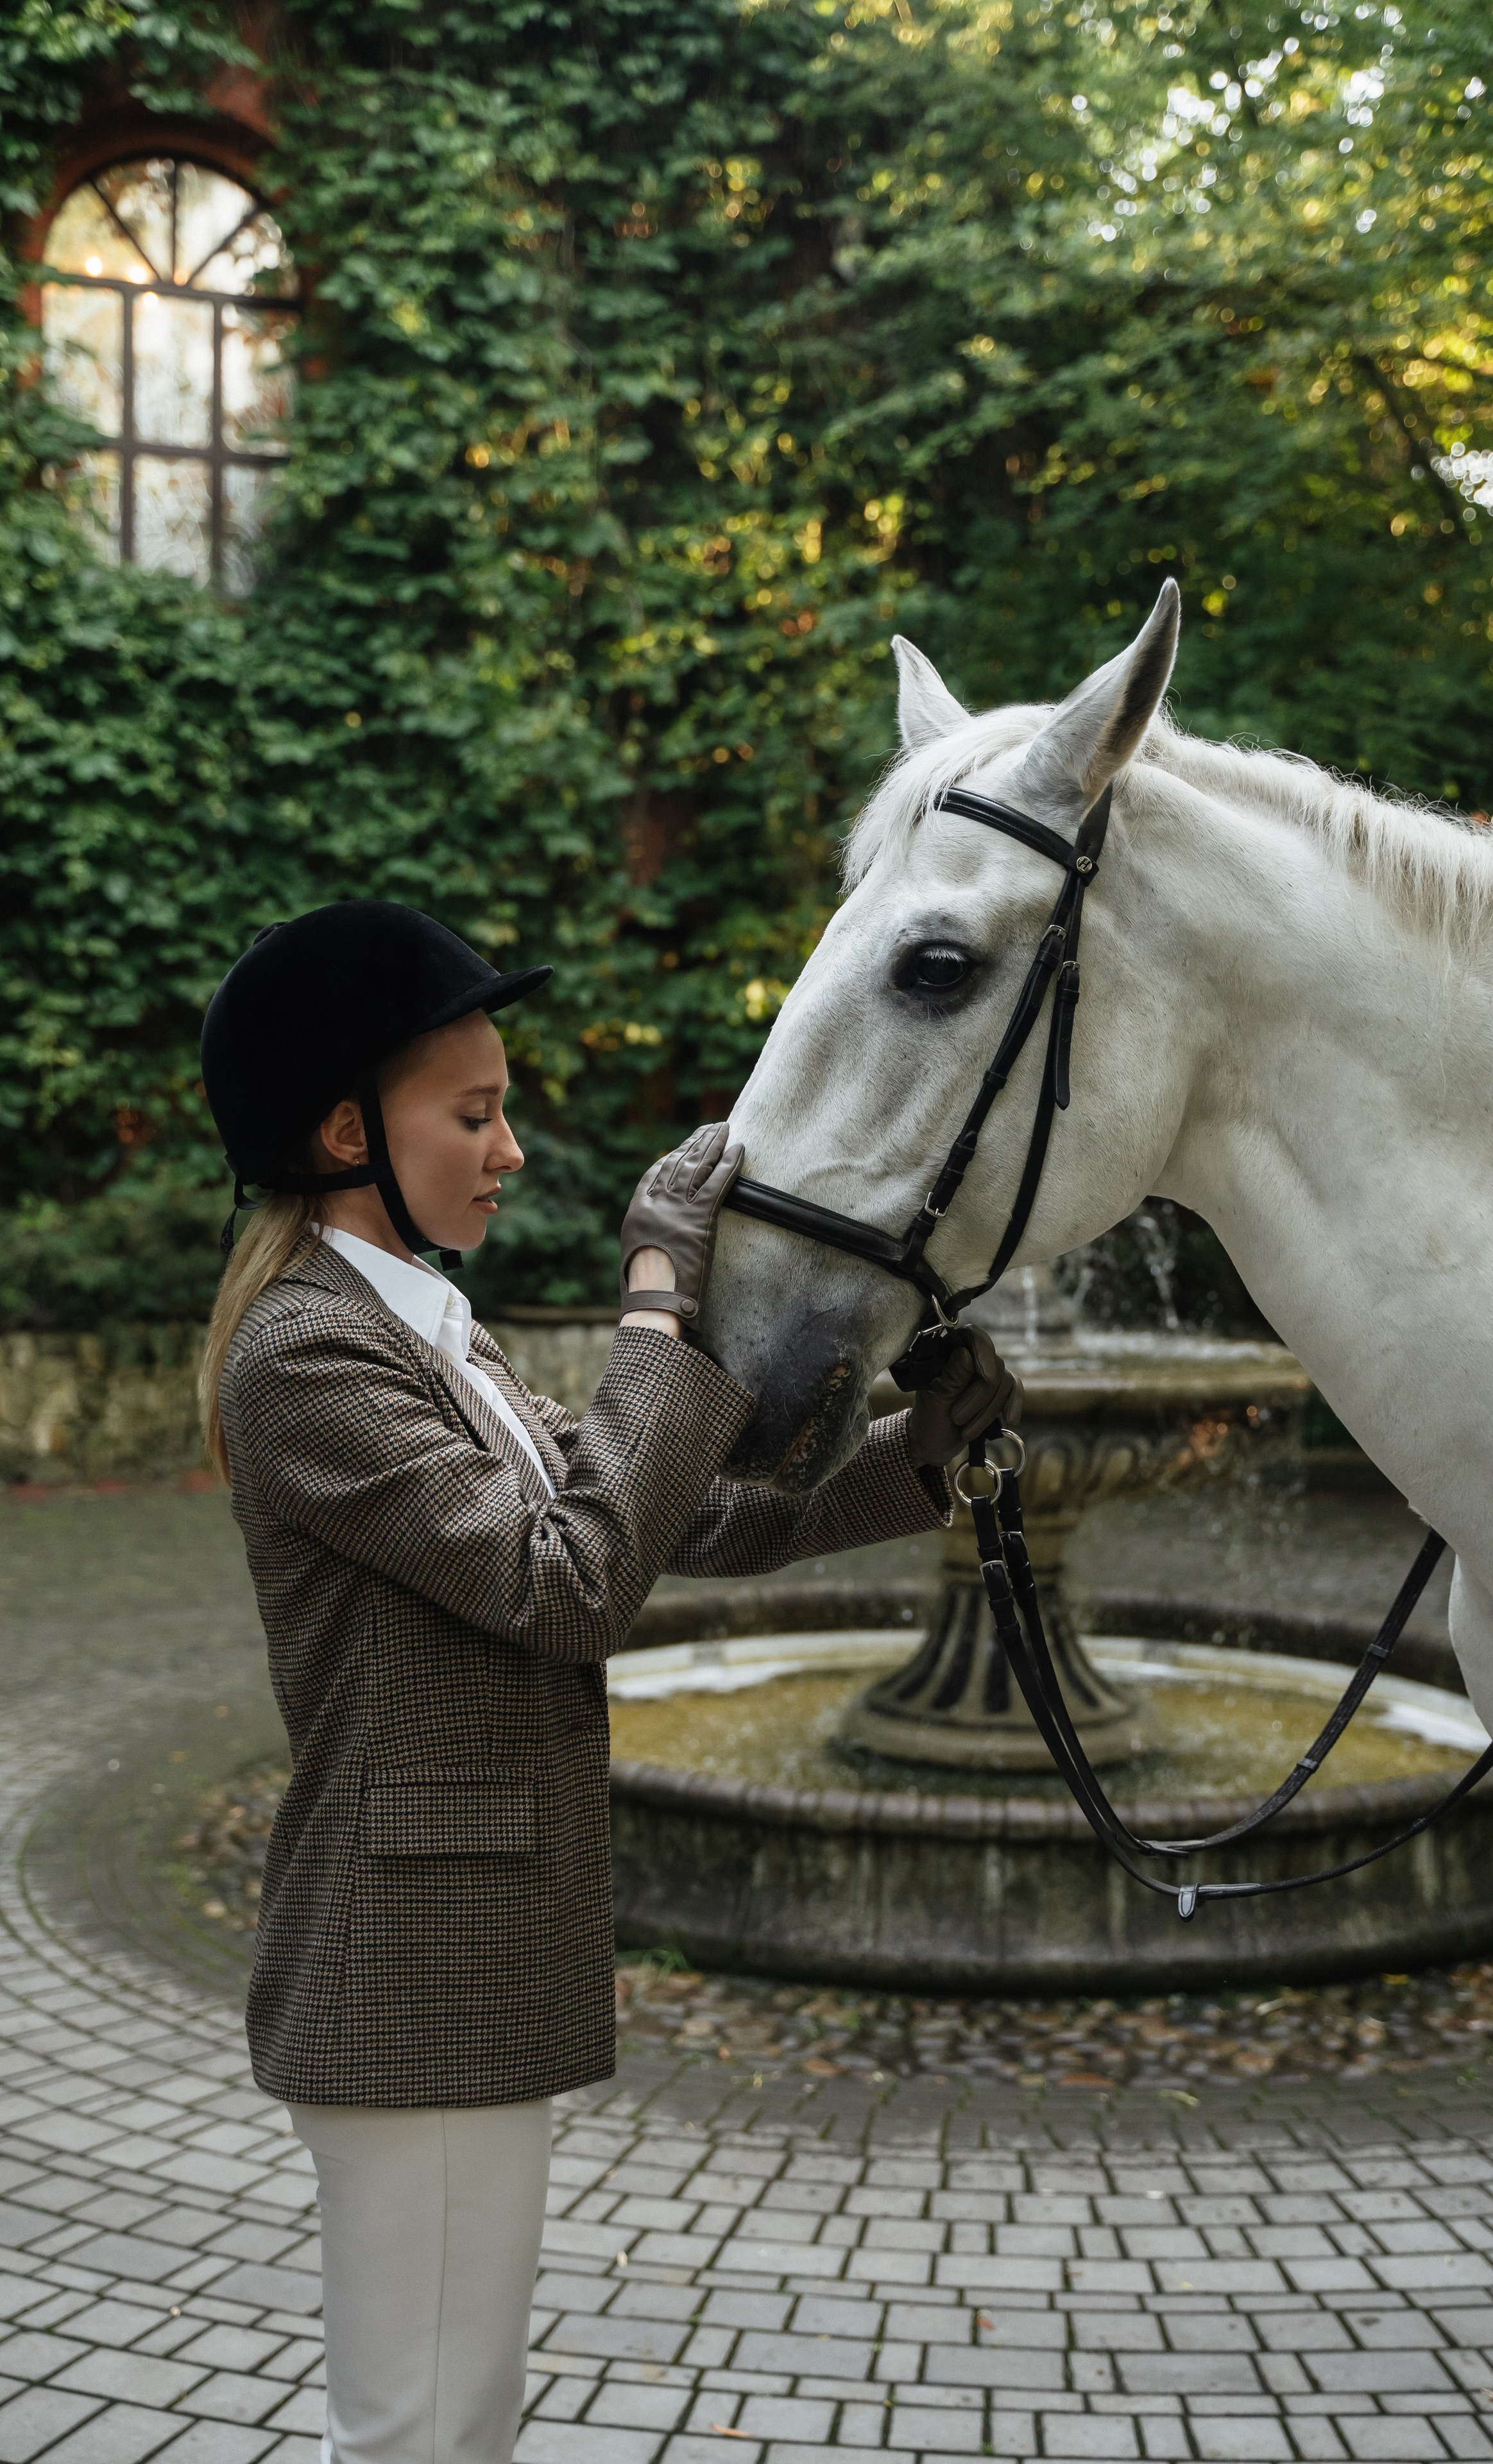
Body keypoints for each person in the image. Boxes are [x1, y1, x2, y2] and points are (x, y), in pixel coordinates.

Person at [195, 900, 1020, 2464]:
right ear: (340, 1129)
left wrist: (922, 1462)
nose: (509, 1151)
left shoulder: (429, 1332)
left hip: (456, 1964)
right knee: (422, 2432)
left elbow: (664, 1519)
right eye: (475, 1112)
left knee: (455, 2418)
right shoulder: (306, 1355)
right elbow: (561, 1586)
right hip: (406, 1977)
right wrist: (658, 1299)